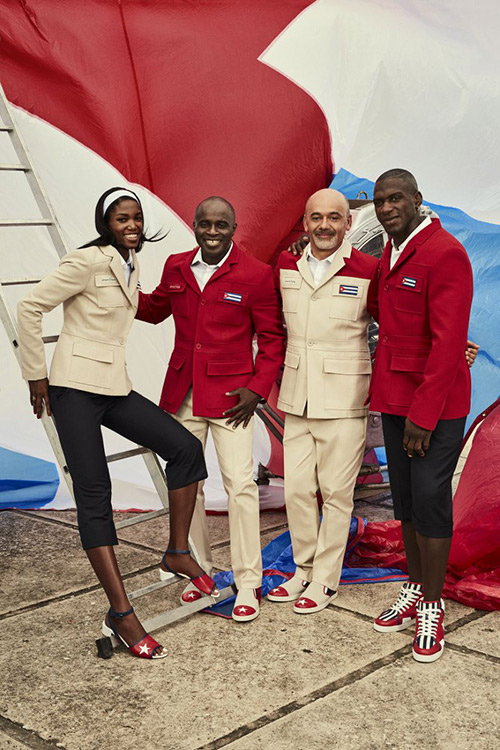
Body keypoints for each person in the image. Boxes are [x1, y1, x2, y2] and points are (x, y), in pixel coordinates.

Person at [16, 187, 215, 660]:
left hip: (112, 386)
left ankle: (177, 551)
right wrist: (36, 375)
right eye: (122, 218)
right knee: (95, 495)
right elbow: (29, 307)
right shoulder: (86, 261)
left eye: (136, 218)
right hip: (73, 390)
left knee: (185, 448)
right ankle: (122, 614)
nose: (132, 225)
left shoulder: (131, 263)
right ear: (105, 223)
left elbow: (143, 310)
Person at [135, 196, 285, 622]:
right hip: (183, 394)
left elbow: (272, 339)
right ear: (196, 225)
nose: (212, 232)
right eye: (205, 224)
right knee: (188, 487)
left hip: (233, 400)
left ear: (233, 228)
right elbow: (153, 310)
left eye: (221, 225)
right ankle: (197, 572)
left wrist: (256, 389)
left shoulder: (256, 274)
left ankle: (248, 582)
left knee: (240, 486)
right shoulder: (177, 266)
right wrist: (117, 281)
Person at [368, 169, 474, 663]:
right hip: (394, 397)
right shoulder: (390, 252)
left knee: (431, 498)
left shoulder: (445, 252)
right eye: (379, 201)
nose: (387, 208)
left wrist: (424, 416)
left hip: (434, 405)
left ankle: (433, 605)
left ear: (417, 199)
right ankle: (415, 585)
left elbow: (448, 342)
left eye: (396, 199)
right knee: (406, 500)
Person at [267, 188, 379, 613]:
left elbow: (398, 323)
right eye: (317, 217)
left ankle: (325, 580)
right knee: (297, 490)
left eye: (334, 217)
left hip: (345, 398)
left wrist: (453, 348)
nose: (325, 225)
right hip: (298, 397)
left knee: (336, 494)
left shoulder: (368, 269)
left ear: (348, 223)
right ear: (305, 222)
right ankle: (302, 569)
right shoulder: (285, 264)